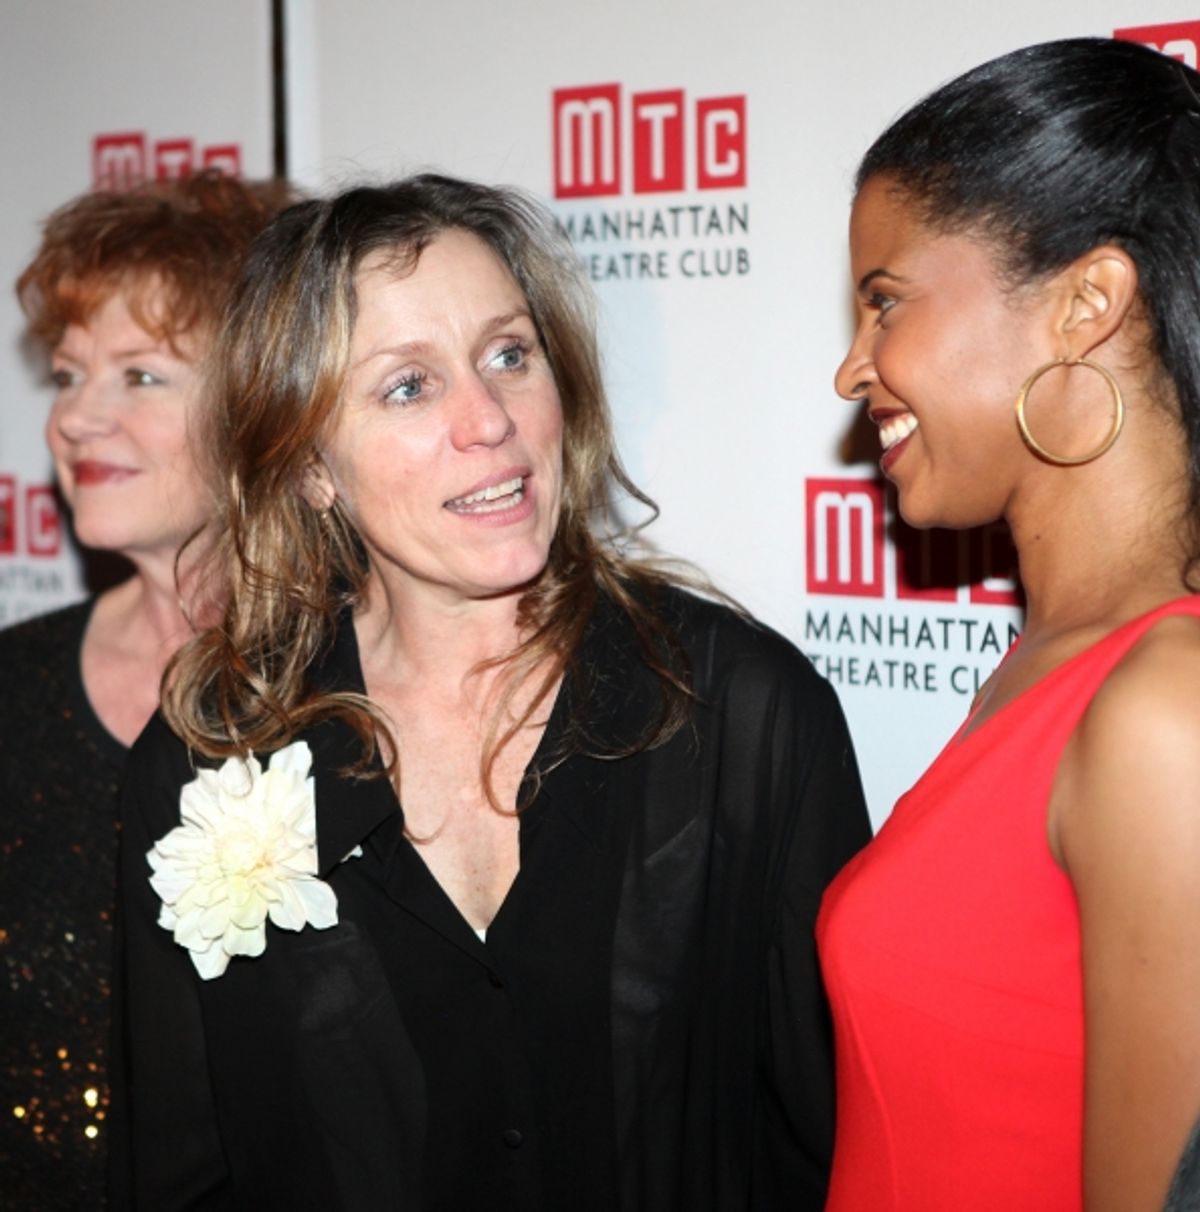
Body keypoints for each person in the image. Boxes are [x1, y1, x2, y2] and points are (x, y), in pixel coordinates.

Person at [111, 173, 870, 1210]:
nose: (489, 421)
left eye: (510, 355)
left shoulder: (742, 715)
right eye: (408, 387)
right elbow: (179, 1176)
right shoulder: (209, 766)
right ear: (311, 466)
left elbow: (836, 1149)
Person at [817, 36, 1200, 1212]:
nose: (852, 371)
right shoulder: (1050, 661)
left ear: (1086, 303)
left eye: (886, 302)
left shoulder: (1165, 710)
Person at [1, 170, 292, 1208]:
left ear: (264, 400)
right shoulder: (12, 690)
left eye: (140, 375)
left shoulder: (359, 693)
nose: (75, 419)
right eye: (69, 375)